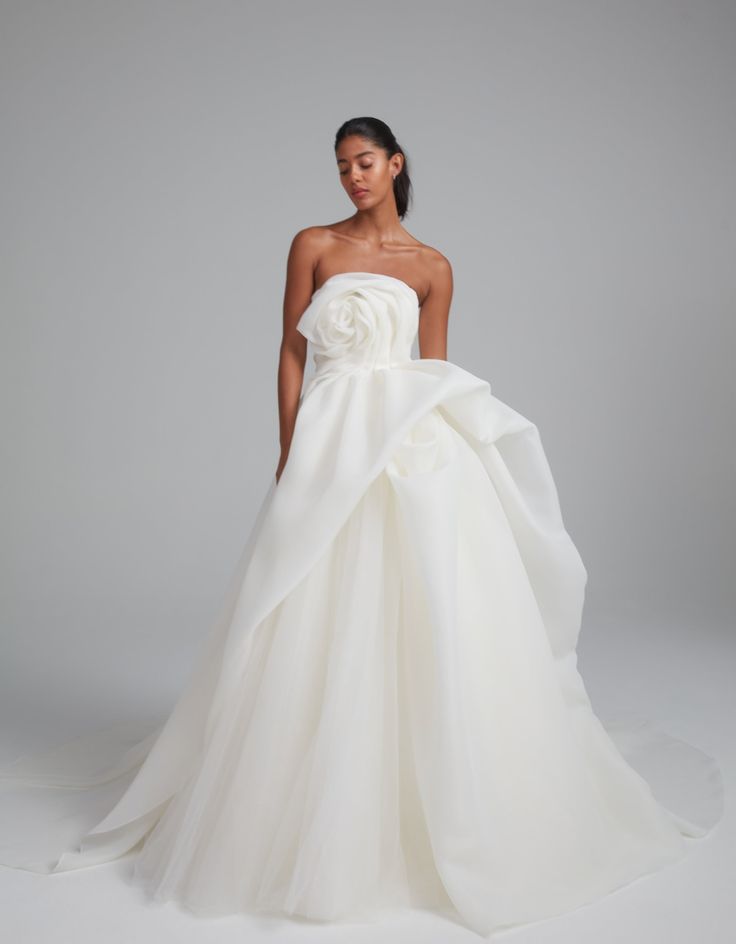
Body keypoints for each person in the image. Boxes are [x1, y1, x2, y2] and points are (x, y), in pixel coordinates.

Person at [0, 117, 725, 937]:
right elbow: (289, 351)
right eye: (342, 165)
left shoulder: (434, 267)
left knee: (427, 602)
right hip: (332, 438)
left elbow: (434, 372)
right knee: (309, 597)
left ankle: (430, 799)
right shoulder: (312, 243)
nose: (352, 176)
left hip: (410, 444)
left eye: (365, 162)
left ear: (396, 164)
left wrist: (458, 454)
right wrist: (290, 447)